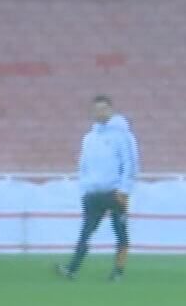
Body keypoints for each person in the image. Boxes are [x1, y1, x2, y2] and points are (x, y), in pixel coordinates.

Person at [57, 94, 139, 282]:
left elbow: (130, 164)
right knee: (86, 231)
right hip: (93, 193)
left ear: (111, 110)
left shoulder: (122, 136)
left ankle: (118, 271)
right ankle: (72, 269)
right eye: (96, 109)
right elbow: (83, 164)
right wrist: (84, 187)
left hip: (114, 192)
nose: (99, 113)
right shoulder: (89, 138)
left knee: (120, 231)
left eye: (103, 109)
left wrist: (124, 190)